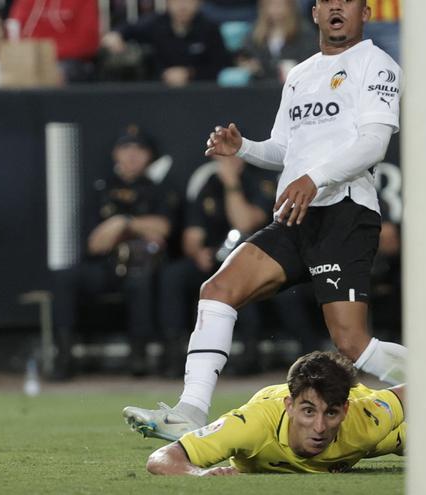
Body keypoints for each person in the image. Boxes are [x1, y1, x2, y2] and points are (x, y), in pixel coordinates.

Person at [123, 0, 410, 441]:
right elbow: (282, 149)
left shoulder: (377, 64)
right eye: (327, 1)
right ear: (314, 13)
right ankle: (191, 410)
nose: (337, 7)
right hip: (295, 214)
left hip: (345, 211)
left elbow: (373, 144)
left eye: (347, 1)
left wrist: (315, 179)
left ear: (364, 13)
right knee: (217, 290)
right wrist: (243, 149)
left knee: (352, 344)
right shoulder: (299, 74)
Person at [140, 351, 426, 475]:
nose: (319, 427)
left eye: (329, 414)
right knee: (410, 442)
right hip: (366, 447)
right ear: (288, 404)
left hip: (370, 439)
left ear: (344, 408)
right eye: (307, 412)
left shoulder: (362, 416)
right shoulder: (251, 424)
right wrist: (199, 477)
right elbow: (164, 460)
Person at [51, 126, 173, 379]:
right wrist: (139, 227)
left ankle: (138, 356)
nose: (132, 155)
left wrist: (123, 223)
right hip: (104, 266)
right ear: (116, 153)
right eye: (126, 148)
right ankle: (63, 355)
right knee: (65, 277)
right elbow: (95, 243)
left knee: (142, 282)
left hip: (141, 266)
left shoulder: (158, 189)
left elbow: (163, 229)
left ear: (149, 155)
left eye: (139, 149)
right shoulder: (100, 188)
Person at [157, 155, 277, 376]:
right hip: (212, 259)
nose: (226, 163)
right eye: (221, 158)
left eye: (231, 156)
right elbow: (191, 236)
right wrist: (198, 252)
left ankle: (249, 356)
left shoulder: (258, 183)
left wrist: (231, 185)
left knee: (241, 282)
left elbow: (245, 222)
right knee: (174, 276)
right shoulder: (208, 184)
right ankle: (173, 355)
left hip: (248, 260)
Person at [100, 0, 231, 86]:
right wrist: (116, 34)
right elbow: (129, 28)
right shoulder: (156, 23)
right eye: (177, 1)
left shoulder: (209, 28)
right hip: (158, 90)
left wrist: (190, 73)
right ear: (168, 3)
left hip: (201, 92)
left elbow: (221, 64)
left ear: (198, 3)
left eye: (188, 1)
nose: (182, 6)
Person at [235, 0, 317, 82]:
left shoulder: (305, 32)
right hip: (259, 87)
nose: (275, 9)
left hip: (295, 85)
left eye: (280, 4)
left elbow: (310, 61)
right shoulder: (255, 33)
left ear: (290, 6)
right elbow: (245, 55)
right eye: (270, 4)